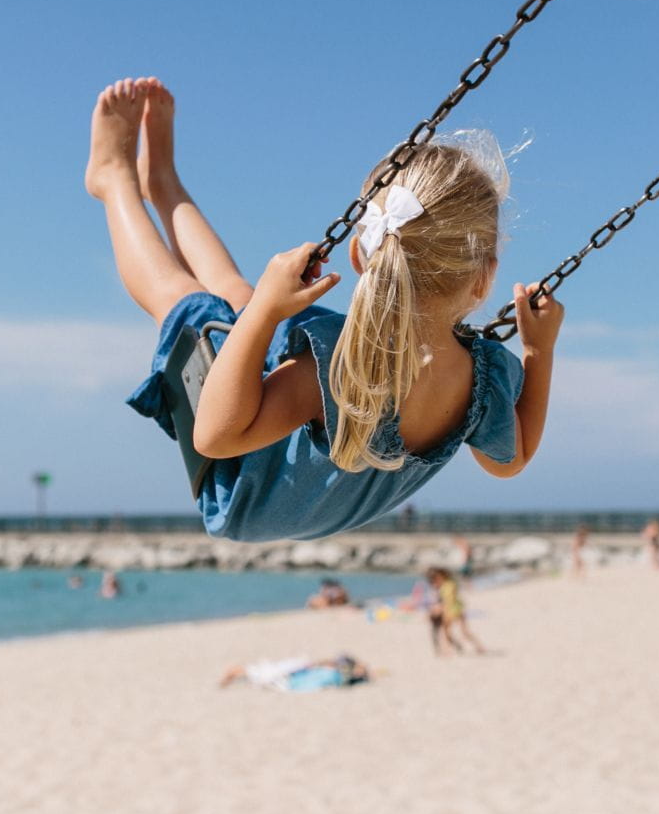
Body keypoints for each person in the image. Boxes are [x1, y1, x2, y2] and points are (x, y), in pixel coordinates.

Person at [88, 78, 562, 543]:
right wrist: (539, 351)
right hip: (289, 494)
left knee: (184, 298)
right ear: (485, 276)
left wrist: (265, 315)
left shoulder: (341, 367)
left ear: (359, 256)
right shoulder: (482, 379)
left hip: (242, 488)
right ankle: (163, 183)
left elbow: (214, 440)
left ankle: (111, 178)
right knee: (239, 297)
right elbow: (511, 459)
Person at [219, 654, 371, 691]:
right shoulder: (338, 672)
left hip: (287, 678)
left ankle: (224, 683)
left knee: (239, 671)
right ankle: (226, 681)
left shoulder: (336, 673)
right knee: (241, 671)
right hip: (291, 676)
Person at [428, 567, 485, 656]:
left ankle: (479, 647)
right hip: (451, 610)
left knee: (462, 632)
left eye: (437, 577)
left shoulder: (449, 584)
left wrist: (440, 608)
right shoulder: (443, 586)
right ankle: (447, 651)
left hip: (454, 610)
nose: (437, 579)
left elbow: (450, 599)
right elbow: (444, 599)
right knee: (447, 632)